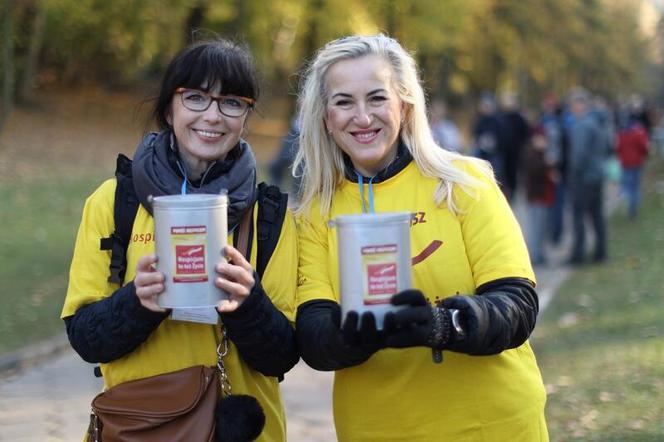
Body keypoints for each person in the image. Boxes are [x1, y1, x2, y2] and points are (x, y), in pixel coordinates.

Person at [293, 34, 548, 441]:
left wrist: (441, 325)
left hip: (491, 425)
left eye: (377, 98)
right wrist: (358, 334)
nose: (362, 117)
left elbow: (517, 306)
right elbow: (315, 339)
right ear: (324, 115)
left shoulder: (465, 184)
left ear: (405, 106)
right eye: (344, 101)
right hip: (376, 429)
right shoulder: (312, 215)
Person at [61, 38, 299, 441]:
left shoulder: (269, 215)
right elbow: (86, 339)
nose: (213, 115)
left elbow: (282, 354)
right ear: (169, 108)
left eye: (231, 102)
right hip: (139, 426)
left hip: (238, 429)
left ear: (245, 116)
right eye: (196, 97)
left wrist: (247, 304)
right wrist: (138, 302)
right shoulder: (114, 201)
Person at [567, 87, 608, 264]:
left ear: (580, 104)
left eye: (573, 104)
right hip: (597, 176)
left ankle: (579, 255)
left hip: (583, 179)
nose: (571, 108)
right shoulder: (597, 123)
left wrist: (572, 174)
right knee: (597, 216)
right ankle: (600, 253)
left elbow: (578, 155)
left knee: (579, 217)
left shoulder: (582, 125)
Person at [523, 125, 557, 265]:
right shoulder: (532, 155)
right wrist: (546, 164)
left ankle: (541, 253)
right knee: (536, 228)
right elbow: (534, 171)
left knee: (542, 227)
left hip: (544, 197)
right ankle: (535, 255)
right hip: (536, 197)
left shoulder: (542, 154)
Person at [616, 113, 649, 218]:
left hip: (626, 163)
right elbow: (644, 147)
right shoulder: (638, 133)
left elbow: (618, 148)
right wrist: (644, 155)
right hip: (637, 163)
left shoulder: (621, 133)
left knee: (629, 186)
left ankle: (631, 209)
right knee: (636, 187)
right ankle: (633, 210)